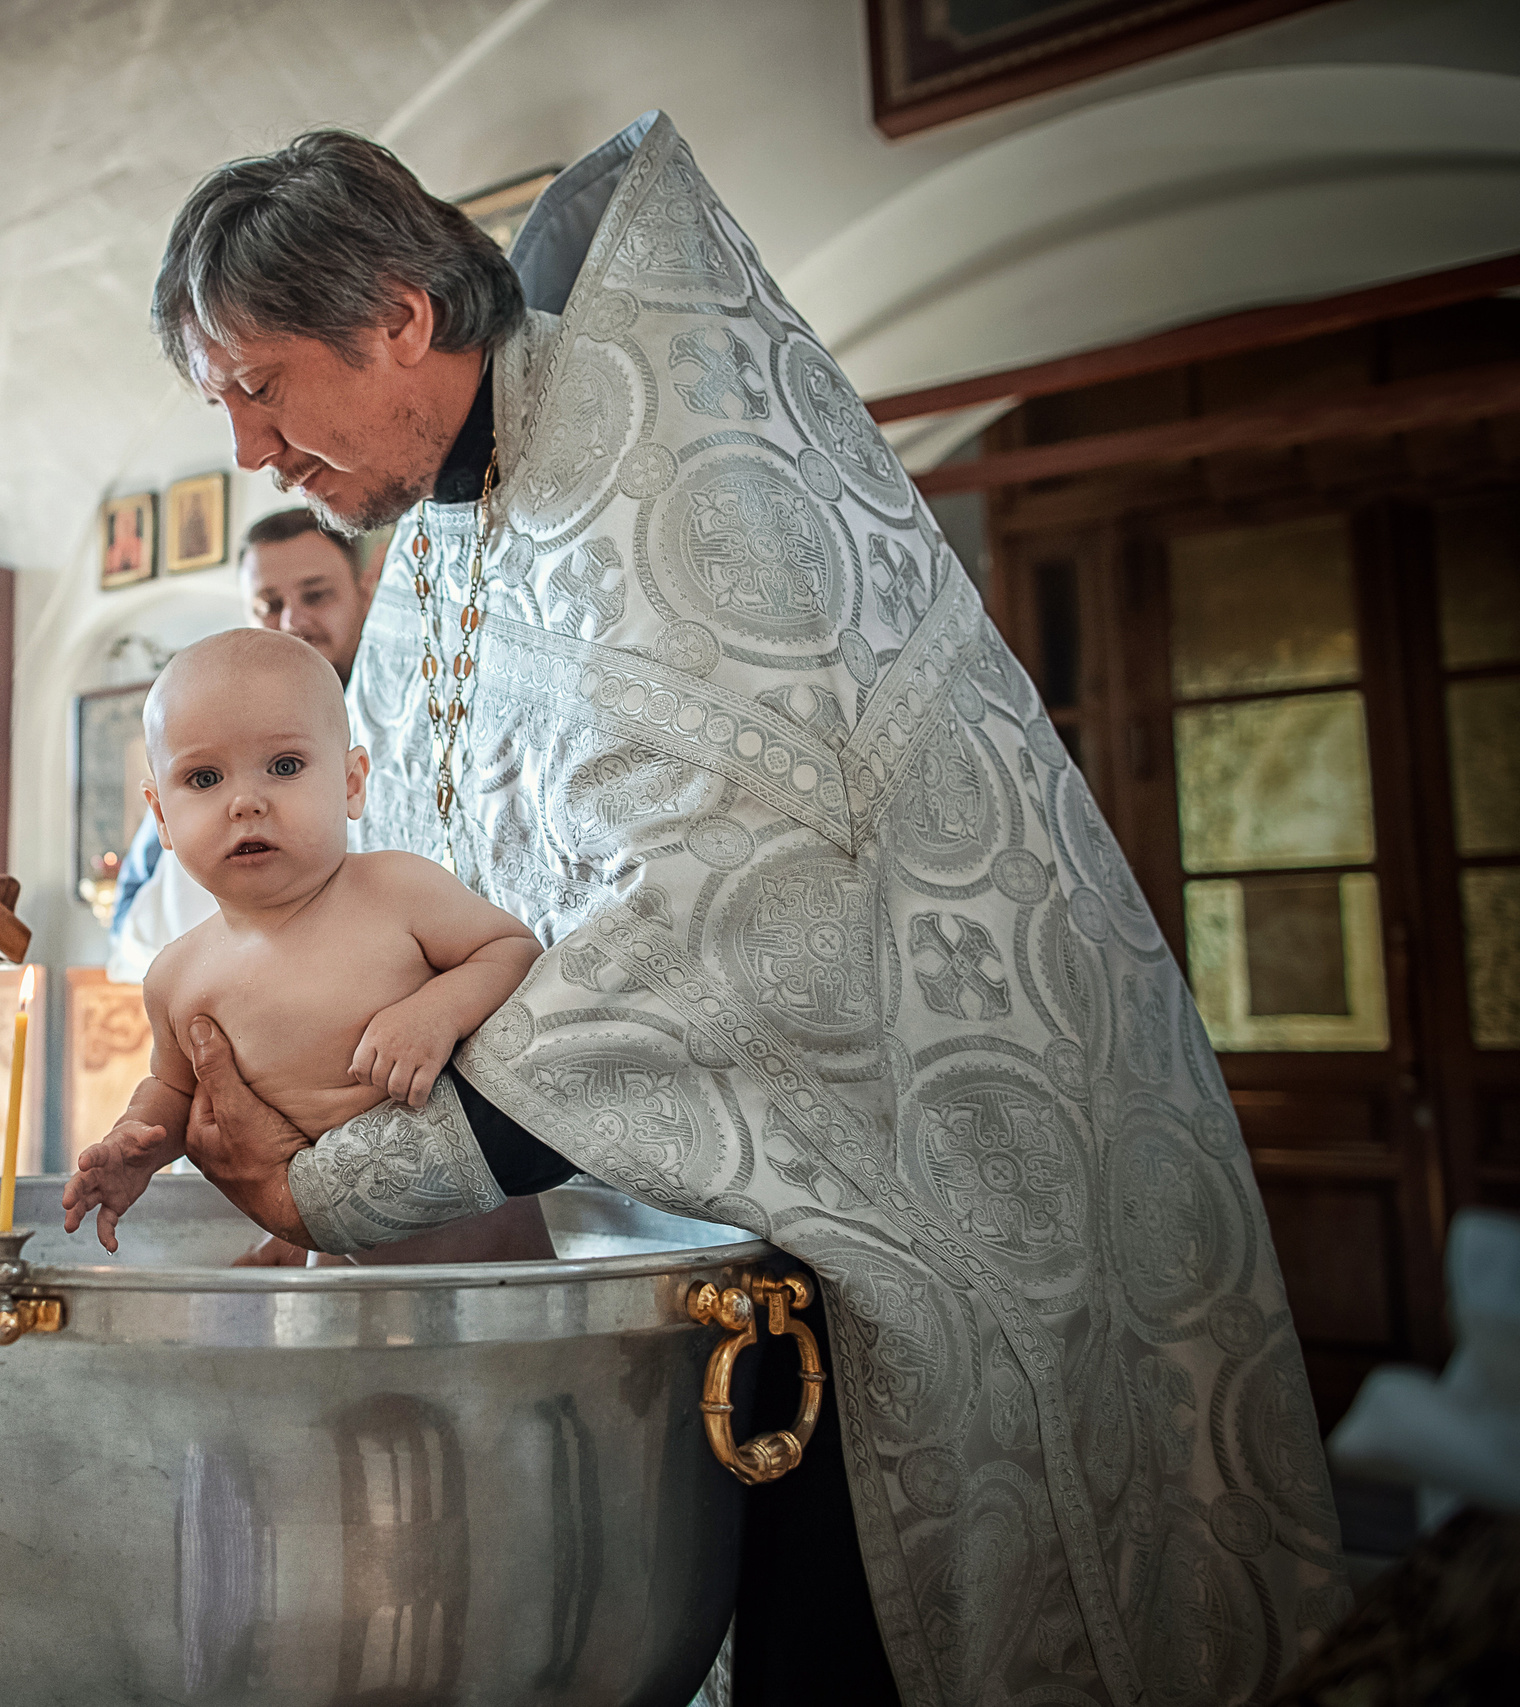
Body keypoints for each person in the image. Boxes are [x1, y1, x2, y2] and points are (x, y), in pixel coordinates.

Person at [147, 117, 1349, 1707]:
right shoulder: (446, 537)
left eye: (257, 383)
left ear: (397, 320)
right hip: (682, 1227)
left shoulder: (676, 467)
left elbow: (725, 920)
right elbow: (422, 893)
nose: (245, 449)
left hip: (910, 1203)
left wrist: (353, 1182)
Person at [64, 627, 556, 1262]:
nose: (246, 802)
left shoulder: (395, 890)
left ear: (352, 783)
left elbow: (513, 952)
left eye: (285, 767)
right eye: (205, 778)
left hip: (493, 1261)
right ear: (159, 815)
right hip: (338, 1268)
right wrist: (134, 1146)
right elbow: (176, 1090)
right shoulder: (177, 976)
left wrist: (435, 1012)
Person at [107, 508, 375, 982]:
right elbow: (133, 929)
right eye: (269, 604)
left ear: (364, 593)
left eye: (316, 595)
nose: (293, 621)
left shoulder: (400, 722)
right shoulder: (198, 742)